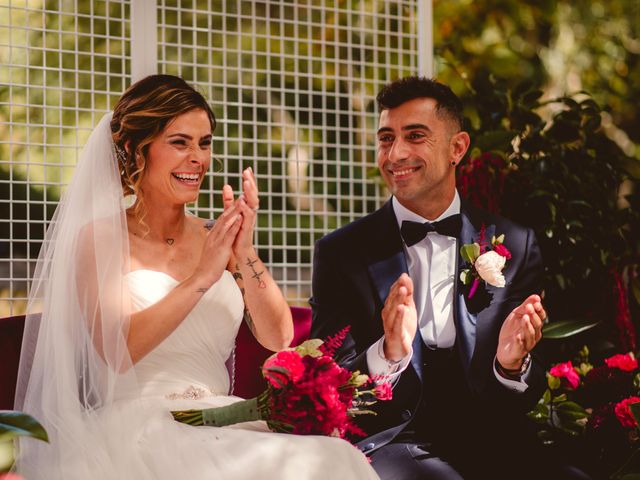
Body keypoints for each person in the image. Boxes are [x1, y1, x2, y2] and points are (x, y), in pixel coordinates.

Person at [14, 74, 379, 480]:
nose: (198, 158)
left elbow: (278, 338)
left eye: (204, 143)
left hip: (220, 416)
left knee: (335, 457)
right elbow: (117, 352)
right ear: (137, 151)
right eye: (179, 142)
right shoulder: (100, 238)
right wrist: (203, 276)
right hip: (139, 424)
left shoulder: (216, 236)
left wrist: (244, 252)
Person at [310, 77, 589, 479]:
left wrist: (511, 364)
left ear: (457, 148)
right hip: (393, 438)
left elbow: (528, 390)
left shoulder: (516, 242)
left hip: (494, 438)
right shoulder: (341, 252)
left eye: (415, 136)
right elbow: (330, 380)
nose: (396, 153)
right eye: (386, 139)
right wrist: (387, 353)